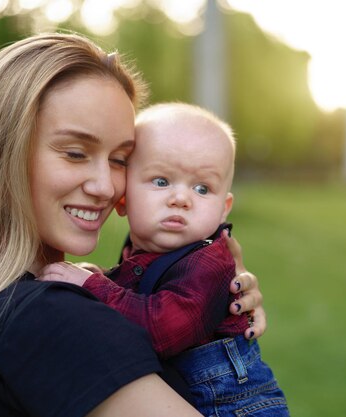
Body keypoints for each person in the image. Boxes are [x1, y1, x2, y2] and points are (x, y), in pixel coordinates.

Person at [0, 33, 267, 417]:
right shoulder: (51, 319)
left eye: (120, 159)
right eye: (75, 153)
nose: (105, 187)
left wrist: (216, 298)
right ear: (1, 155)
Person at [39, 103, 290, 416]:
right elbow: (142, 292)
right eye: (161, 181)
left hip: (234, 406)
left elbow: (160, 330)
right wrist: (103, 277)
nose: (181, 199)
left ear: (224, 208)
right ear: (124, 196)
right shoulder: (149, 249)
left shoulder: (209, 263)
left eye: (202, 188)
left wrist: (95, 286)